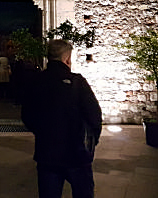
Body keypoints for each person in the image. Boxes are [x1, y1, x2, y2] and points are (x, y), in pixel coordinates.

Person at [21, 39, 102, 198]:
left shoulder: (36, 82)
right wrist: (89, 143)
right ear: (67, 59)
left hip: (47, 154)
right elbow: (94, 117)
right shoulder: (77, 82)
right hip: (77, 154)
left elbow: (27, 116)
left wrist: (43, 133)